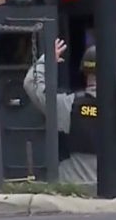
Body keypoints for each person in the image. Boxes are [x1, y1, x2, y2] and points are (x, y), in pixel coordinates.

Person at [23, 38, 98, 189]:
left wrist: (46, 61)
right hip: (115, 188)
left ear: (84, 72)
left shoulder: (68, 105)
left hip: (73, 187)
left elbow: (31, 84)